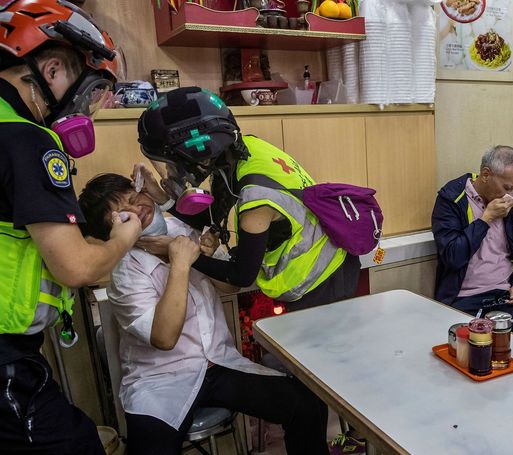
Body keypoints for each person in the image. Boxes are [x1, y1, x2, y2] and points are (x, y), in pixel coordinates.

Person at [78, 173, 331, 455]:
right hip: (160, 381)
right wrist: (181, 264)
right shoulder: (124, 272)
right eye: (125, 214)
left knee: (306, 404)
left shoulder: (180, 227)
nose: (139, 209)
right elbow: (163, 337)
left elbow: (231, 285)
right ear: (114, 232)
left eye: (135, 197)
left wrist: (206, 257)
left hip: (219, 364)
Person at [0, 2, 141, 453]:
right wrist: (123, 238)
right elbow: (76, 268)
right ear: (53, 69)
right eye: (88, 93)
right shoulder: (28, 139)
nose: (87, 110)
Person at [133, 86, 360, 312]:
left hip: (320, 280)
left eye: (171, 164)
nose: (171, 172)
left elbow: (241, 275)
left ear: (200, 153)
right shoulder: (243, 151)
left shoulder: (256, 200)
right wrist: (163, 198)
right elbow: (213, 216)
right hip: (331, 263)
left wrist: (180, 253)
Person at [431, 145, 513, 339]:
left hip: (506, 295)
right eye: (506, 187)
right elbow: (452, 257)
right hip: (464, 298)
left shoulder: (512, 203)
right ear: (486, 174)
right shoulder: (452, 199)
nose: (511, 195)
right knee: (472, 347)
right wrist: (485, 219)